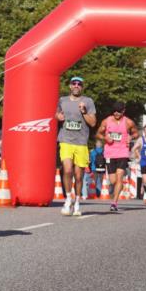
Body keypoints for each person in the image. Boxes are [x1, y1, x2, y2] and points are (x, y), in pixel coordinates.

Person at [55, 76, 96, 216]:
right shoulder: (62, 100)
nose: (76, 86)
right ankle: (67, 200)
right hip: (65, 140)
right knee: (67, 170)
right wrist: (58, 117)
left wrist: (84, 112)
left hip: (81, 142)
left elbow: (93, 123)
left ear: (82, 87)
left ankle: (77, 202)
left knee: (79, 176)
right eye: (74, 83)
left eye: (79, 84)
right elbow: (57, 114)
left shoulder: (88, 101)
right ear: (70, 86)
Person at [96, 102, 138, 212]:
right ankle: (118, 187)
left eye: (119, 111)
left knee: (119, 177)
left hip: (123, 153)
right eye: (114, 110)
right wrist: (105, 138)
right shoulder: (106, 121)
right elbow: (98, 134)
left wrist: (130, 137)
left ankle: (114, 203)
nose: (116, 113)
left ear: (123, 111)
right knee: (113, 180)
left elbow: (136, 133)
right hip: (110, 153)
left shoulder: (128, 122)